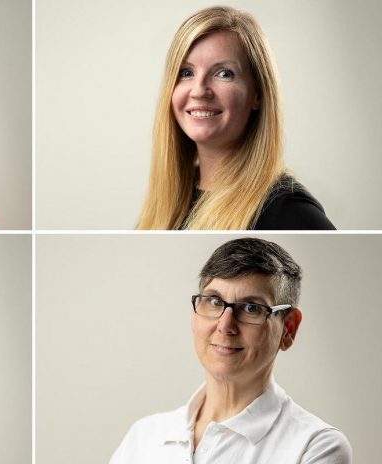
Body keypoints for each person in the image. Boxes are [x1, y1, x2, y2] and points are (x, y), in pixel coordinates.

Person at [110, 238, 351, 463]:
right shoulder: (143, 437)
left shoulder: (314, 445)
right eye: (215, 302)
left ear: (288, 329)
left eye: (250, 308)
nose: (226, 326)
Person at [137, 6, 334, 230]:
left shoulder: (290, 213)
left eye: (224, 73)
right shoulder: (168, 203)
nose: (199, 90)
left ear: (257, 94)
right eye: (186, 72)